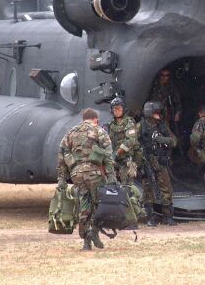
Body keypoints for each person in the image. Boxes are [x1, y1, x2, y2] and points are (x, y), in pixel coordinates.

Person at [57, 108, 115, 251]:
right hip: (95, 174)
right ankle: (93, 232)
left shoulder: (71, 132)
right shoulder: (99, 131)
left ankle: (85, 240)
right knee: (99, 205)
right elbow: (108, 155)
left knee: (84, 205)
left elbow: (61, 156)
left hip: (77, 175)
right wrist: (111, 175)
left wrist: (62, 179)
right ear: (95, 119)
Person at [137, 101, 177, 226]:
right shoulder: (140, 126)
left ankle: (168, 217)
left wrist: (163, 140)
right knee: (148, 190)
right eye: (156, 113)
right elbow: (132, 143)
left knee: (166, 189)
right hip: (147, 162)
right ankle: (151, 217)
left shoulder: (162, 126)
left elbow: (174, 141)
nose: (159, 115)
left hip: (160, 162)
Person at [106, 97, 142, 185]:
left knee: (126, 186)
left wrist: (118, 153)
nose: (117, 111)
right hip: (114, 160)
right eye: (115, 109)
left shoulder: (128, 122)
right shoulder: (110, 124)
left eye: (119, 108)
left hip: (125, 161)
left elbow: (131, 140)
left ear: (123, 109)